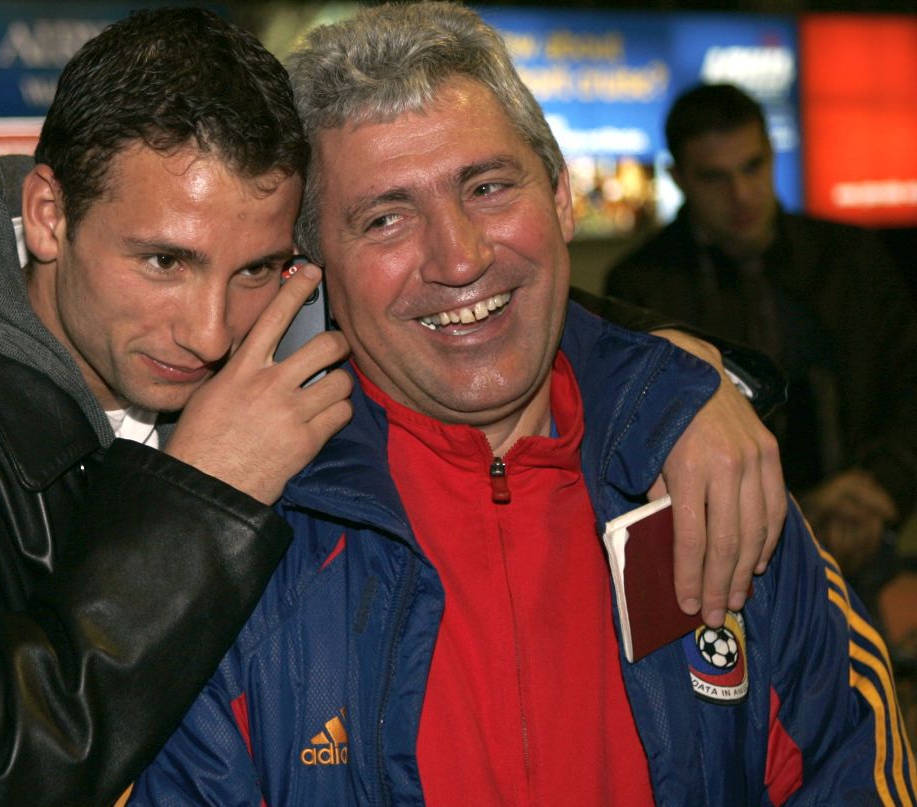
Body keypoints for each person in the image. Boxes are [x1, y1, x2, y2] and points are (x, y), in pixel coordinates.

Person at [0, 8, 781, 806]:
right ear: (49, 215)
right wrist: (200, 494)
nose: (207, 331)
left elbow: (471, 298)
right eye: (164, 261)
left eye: (254, 269)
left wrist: (676, 382)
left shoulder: (268, 324)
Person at [128, 4, 915, 804]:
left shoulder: (716, 477)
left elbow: (845, 762)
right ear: (314, 267)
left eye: (488, 187)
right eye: (385, 218)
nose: (459, 258)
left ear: (562, 197)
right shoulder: (249, 552)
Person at [605, 82, 917, 581]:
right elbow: (642, 446)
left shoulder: (851, 260)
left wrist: (879, 487)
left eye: (753, 167)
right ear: (679, 178)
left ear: (772, 155)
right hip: (724, 555)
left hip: (858, 527)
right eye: (715, 177)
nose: (741, 195)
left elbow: (908, 381)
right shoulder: (643, 286)